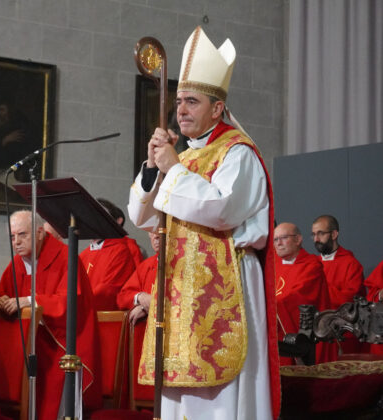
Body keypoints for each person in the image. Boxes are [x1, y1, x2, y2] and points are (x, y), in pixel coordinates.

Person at [127, 26, 280, 419]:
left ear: (217, 108)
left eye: (191, 102)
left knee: (222, 398)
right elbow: (141, 215)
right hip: (182, 288)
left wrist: (173, 168)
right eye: (178, 102)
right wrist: (151, 166)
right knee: (179, 394)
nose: (180, 111)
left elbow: (220, 209)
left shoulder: (238, 153)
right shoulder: (184, 157)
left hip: (226, 283)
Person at [0, 210, 101, 419]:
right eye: (12, 237)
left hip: (59, 346)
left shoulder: (66, 258)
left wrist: (30, 300)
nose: (16, 242)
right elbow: (0, 295)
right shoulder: (17, 263)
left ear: (40, 233)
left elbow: (69, 302)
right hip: (27, 347)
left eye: (22, 234)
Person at [273, 222, 334, 364]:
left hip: (303, 337)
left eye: (283, 238)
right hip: (272, 330)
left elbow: (300, 296)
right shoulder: (272, 264)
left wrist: (270, 305)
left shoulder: (311, 265)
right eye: (275, 239)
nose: (279, 243)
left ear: (298, 239)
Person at [79, 199, 136, 311]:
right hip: (81, 314)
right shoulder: (83, 255)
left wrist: (78, 305)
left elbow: (108, 292)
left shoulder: (120, 251)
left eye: (99, 217)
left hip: (104, 318)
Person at [312, 215, 365, 308]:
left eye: (320, 233)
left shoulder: (351, 264)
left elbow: (351, 299)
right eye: (314, 234)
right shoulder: (312, 264)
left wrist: (318, 290)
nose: (316, 239)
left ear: (334, 235)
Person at [117, 231, 159, 326]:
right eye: (152, 232)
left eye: (161, 230)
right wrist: (140, 297)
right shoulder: (146, 265)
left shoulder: (182, 265)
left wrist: (146, 308)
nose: (156, 236)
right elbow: (122, 297)